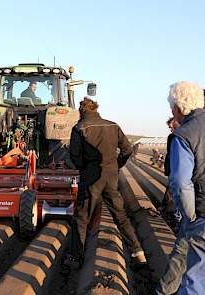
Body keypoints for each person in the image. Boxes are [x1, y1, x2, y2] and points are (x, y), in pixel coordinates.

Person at [68, 97, 146, 267]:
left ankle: (76, 257)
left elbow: (74, 155)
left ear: (81, 112)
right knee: (120, 215)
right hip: (111, 176)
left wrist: (84, 168)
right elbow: (127, 149)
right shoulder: (113, 125)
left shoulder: (79, 128)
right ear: (96, 109)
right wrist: (116, 165)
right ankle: (138, 252)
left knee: (82, 218)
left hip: (90, 176)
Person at [155, 81, 205, 294]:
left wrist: (189, 215)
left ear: (177, 108)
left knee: (195, 276)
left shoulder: (184, 134)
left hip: (202, 212)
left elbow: (180, 182)